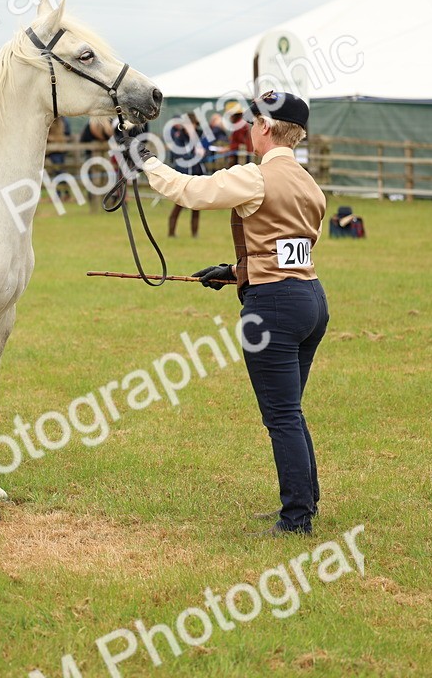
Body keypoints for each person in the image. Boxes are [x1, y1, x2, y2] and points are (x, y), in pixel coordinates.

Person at [136, 91, 328, 536]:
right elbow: (291, 247)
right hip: (311, 299)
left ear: (264, 127)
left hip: (275, 306)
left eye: (254, 121)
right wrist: (236, 270)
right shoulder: (310, 184)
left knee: (281, 415)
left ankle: (296, 519)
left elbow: (189, 190)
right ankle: (306, 501)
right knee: (291, 410)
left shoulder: (256, 177)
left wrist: (148, 161)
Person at [166, 113, 206, 237]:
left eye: (193, 125)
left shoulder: (199, 136)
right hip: (183, 177)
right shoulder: (178, 138)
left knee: (196, 207)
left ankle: (195, 233)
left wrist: (203, 154)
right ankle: (171, 233)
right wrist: (195, 155)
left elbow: (206, 151)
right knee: (178, 206)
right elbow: (179, 156)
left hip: (196, 176)